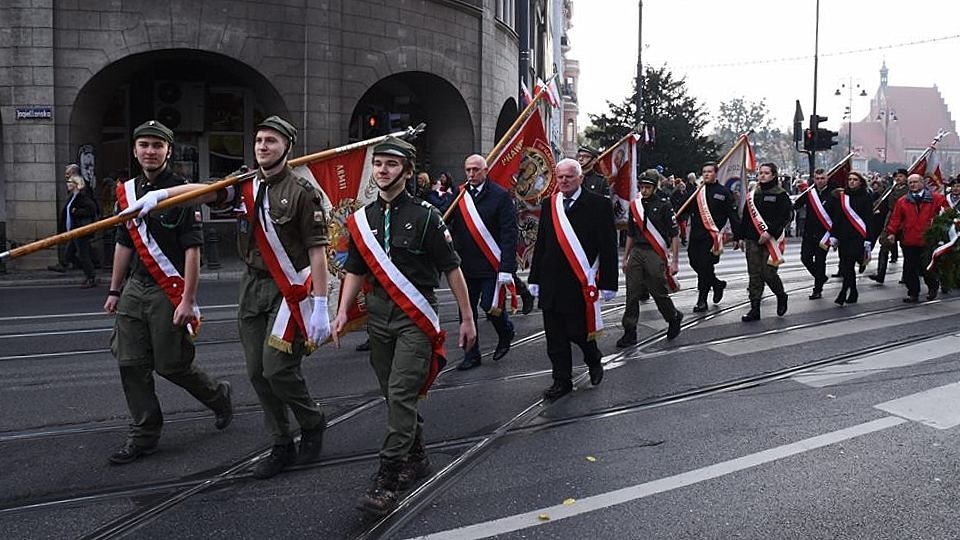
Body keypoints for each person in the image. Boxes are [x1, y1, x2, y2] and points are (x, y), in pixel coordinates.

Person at [123, 116, 332, 479]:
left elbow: (317, 251)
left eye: (271, 141)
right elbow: (203, 192)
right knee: (256, 372)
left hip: (289, 290)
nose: (263, 146)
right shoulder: (245, 184)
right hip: (251, 288)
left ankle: (312, 421)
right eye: (259, 140)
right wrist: (160, 196)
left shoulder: (302, 192)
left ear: (287, 147)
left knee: (278, 369)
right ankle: (281, 441)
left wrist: (321, 304)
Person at [332, 137, 476, 515]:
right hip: (379, 315)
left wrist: (467, 317)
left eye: (392, 164)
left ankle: (388, 478)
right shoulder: (362, 220)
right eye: (378, 163)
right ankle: (417, 454)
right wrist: (343, 311)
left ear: (408, 171)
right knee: (392, 393)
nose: (383, 170)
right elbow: (355, 270)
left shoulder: (427, 216)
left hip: (415, 315)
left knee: (400, 392)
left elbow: (451, 268)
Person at [103, 120, 233, 465]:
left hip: (167, 288)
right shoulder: (127, 191)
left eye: (157, 146)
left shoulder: (182, 191)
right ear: (135, 150)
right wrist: (115, 290)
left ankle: (219, 396)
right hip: (136, 286)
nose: (150, 151)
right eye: (144, 144)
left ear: (168, 151)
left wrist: (188, 300)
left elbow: (193, 250)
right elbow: (124, 244)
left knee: (172, 365)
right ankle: (144, 434)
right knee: (130, 362)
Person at [528, 158, 618, 400]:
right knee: (554, 337)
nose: (564, 181)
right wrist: (534, 277)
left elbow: (608, 247)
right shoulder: (550, 205)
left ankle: (593, 359)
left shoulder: (598, 205)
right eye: (560, 177)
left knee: (579, 332)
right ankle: (561, 380)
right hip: (551, 281)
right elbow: (542, 244)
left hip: (579, 283)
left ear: (580, 178)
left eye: (569, 176)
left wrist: (609, 282)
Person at [447, 154, 518, 370]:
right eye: (468, 170)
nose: (471, 174)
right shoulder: (459, 196)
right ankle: (471, 354)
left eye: (476, 170)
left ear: (486, 171)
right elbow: (447, 222)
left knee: (491, 307)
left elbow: (509, 233)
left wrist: (506, 268)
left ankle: (505, 331)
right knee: (465, 310)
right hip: (465, 265)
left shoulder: (500, 196)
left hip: (491, 264)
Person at [617, 170, 683, 348]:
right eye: (641, 187)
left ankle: (673, 317)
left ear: (655, 187)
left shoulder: (664, 205)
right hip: (638, 251)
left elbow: (674, 235)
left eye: (648, 187)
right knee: (632, 293)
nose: (644, 190)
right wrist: (625, 257)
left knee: (658, 291)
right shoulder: (635, 205)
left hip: (655, 251)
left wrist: (674, 261)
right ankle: (629, 331)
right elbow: (630, 233)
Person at [677, 162, 741, 312]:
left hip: (711, 237)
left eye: (709, 172)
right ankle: (717, 283)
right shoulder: (697, 192)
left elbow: (733, 216)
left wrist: (738, 236)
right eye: (704, 172)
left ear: (715, 173)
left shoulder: (724, 192)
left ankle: (702, 300)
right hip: (696, 235)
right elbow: (682, 207)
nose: (706, 174)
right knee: (694, 262)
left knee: (706, 266)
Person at [737, 162, 792, 321]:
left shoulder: (781, 194)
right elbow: (746, 218)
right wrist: (741, 237)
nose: (762, 175)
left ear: (773, 175)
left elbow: (786, 217)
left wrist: (769, 232)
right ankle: (755, 309)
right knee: (754, 274)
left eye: (766, 173)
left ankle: (781, 295)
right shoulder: (753, 194)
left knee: (768, 273)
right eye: (760, 173)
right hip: (753, 239)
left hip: (771, 240)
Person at [885, 173, 948, 302]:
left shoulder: (936, 199)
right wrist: (891, 232)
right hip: (909, 240)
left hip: (928, 240)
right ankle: (913, 293)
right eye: (910, 183)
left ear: (922, 183)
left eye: (915, 182)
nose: (913, 185)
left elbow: (946, 213)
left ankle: (933, 287)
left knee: (927, 268)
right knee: (909, 268)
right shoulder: (903, 201)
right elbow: (896, 218)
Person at [827, 172, 875, 305]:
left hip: (858, 236)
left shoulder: (866, 197)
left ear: (861, 182)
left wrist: (868, 239)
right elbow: (837, 217)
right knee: (846, 266)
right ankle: (853, 291)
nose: (851, 182)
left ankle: (843, 293)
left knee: (849, 264)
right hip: (844, 236)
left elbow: (869, 219)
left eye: (855, 180)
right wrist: (834, 235)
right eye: (849, 179)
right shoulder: (842, 197)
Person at [50, 170, 99, 287]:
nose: (67, 184)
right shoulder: (72, 196)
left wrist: (77, 212)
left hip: (81, 230)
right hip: (73, 231)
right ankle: (81, 267)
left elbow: (92, 208)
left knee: (83, 254)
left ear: (76, 184)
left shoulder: (82, 196)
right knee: (69, 254)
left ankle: (90, 277)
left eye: (70, 182)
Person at [793, 168, 832, 299]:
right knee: (805, 258)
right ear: (814, 179)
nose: (820, 181)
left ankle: (817, 289)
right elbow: (796, 205)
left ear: (827, 178)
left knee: (821, 261)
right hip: (809, 233)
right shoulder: (810, 192)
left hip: (824, 234)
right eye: (817, 178)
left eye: (822, 178)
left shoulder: (833, 194)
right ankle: (821, 277)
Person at [869, 168, 909, 283]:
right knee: (884, 247)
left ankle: (906, 276)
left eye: (901, 176)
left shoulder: (909, 190)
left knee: (906, 250)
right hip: (890, 219)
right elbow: (883, 201)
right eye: (896, 176)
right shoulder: (891, 189)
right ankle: (880, 274)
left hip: (904, 221)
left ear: (906, 177)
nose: (898, 178)